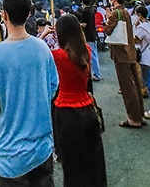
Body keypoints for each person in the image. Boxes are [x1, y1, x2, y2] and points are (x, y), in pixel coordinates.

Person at [0, 0, 59, 186]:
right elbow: (52, 86)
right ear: (29, 13)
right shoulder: (42, 48)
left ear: (4, 15)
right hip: (42, 148)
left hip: (9, 153)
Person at [51, 14, 106, 187]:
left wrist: (45, 33)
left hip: (66, 111)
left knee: (73, 163)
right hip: (87, 108)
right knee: (94, 158)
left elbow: (37, 50)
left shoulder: (58, 56)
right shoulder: (86, 51)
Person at [105, 0, 145, 128]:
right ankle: (140, 115)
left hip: (121, 53)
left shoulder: (116, 13)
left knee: (127, 87)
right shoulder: (126, 12)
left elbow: (108, 30)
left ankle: (133, 118)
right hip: (130, 51)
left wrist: (108, 17)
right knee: (135, 84)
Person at [79, 0, 101, 81]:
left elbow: (84, 24)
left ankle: (96, 74)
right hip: (92, 34)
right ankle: (95, 73)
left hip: (88, 35)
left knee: (92, 55)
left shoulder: (85, 11)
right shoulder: (91, 11)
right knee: (94, 54)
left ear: (82, 3)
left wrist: (77, 24)